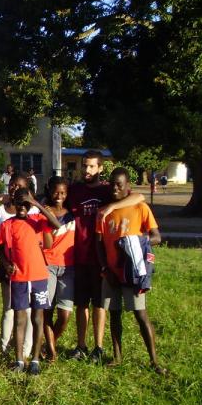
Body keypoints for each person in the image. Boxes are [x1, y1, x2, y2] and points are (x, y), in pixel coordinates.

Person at [67, 150, 145, 363]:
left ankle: (98, 347)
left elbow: (138, 196)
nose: (87, 170)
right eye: (85, 165)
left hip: (103, 258)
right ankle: (81, 346)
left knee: (99, 304)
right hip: (79, 256)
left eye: (92, 166)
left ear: (101, 168)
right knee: (82, 303)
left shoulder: (107, 190)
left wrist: (111, 206)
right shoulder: (74, 191)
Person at [96, 168, 165, 374]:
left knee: (140, 314)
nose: (114, 188)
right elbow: (99, 244)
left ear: (128, 186)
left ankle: (154, 360)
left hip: (133, 272)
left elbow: (156, 237)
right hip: (111, 272)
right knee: (114, 314)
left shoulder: (140, 207)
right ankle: (117, 356)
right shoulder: (104, 212)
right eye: (111, 184)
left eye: (119, 184)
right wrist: (105, 269)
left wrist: (134, 242)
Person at [0, 188, 62, 375]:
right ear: (14, 204)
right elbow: (0, 248)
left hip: (39, 277)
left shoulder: (37, 221)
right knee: (20, 319)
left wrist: (36, 204)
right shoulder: (7, 225)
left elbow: (56, 224)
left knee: (38, 317)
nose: (23, 207)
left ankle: (34, 359)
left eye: (26, 204)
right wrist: (6, 262)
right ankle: (19, 360)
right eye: (20, 203)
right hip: (19, 277)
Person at [0, 171, 38, 357]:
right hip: (8, 269)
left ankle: (25, 350)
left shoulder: (33, 213)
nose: (15, 188)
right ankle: (4, 347)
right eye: (12, 184)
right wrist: (5, 262)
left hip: (29, 269)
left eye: (19, 186)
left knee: (27, 309)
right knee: (9, 309)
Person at [41, 176, 76, 361]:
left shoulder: (72, 213)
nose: (59, 196)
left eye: (63, 192)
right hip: (48, 265)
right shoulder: (44, 211)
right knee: (47, 310)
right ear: (49, 190)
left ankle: (47, 343)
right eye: (56, 191)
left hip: (69, 267)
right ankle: (52, 352)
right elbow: (45, 244)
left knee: (64, 315)